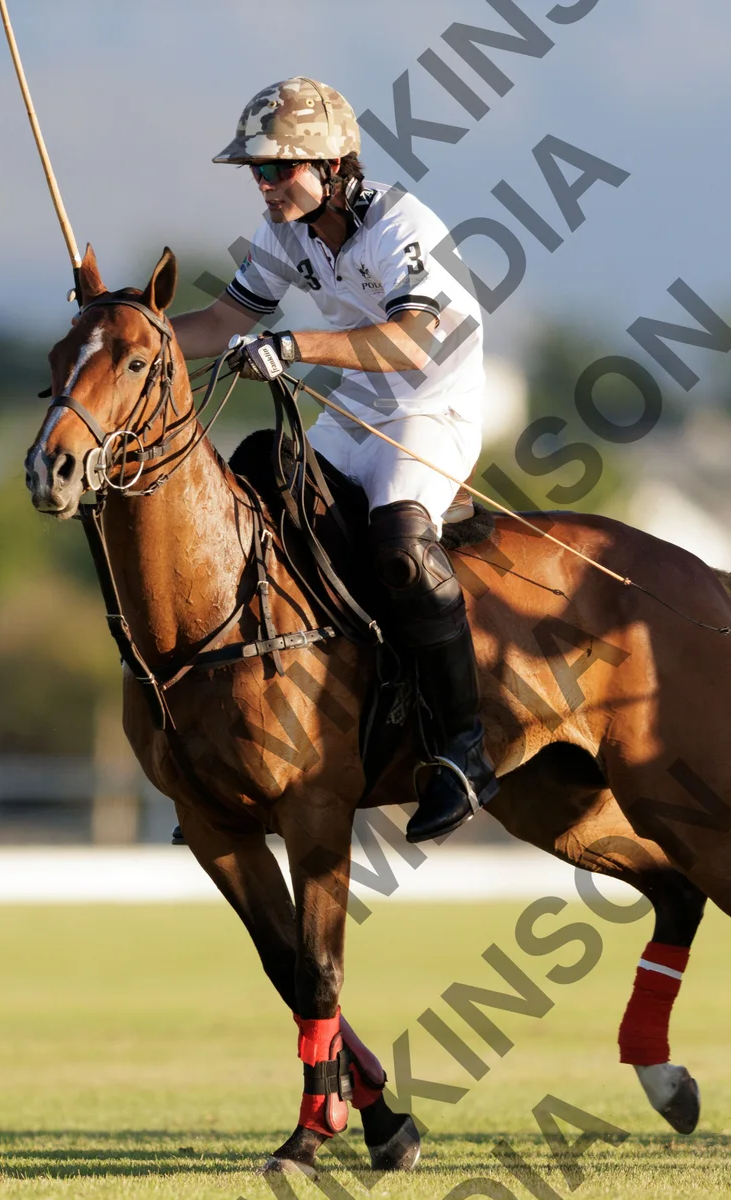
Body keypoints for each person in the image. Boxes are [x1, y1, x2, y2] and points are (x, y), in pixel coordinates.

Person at [168, 77, 498, 843]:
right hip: (356, 411)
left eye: (277, 167)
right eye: (256, 170)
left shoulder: (398, 224)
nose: (264, 183)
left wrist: (292, 344)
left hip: (433, 411)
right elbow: (221, 319)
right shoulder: (285, 233)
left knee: (401, 548)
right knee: (259, 506)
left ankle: (463, 751)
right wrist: (124, 330)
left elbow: (414, 339)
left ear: (331, 165)